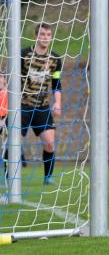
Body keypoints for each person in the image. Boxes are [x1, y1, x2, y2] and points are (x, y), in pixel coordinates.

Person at [19, 23, 62, 185]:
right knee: (14, 143)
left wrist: (57, 103)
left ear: (51, 37)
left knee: (50, 143)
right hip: (22, 105)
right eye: (42, 34)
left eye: (48, 35)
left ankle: (48, 178)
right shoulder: (23, 55)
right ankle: (10, 177)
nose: (45, 37)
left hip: (42, 107)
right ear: (36, 36)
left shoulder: (55, 59)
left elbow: (57, 83)